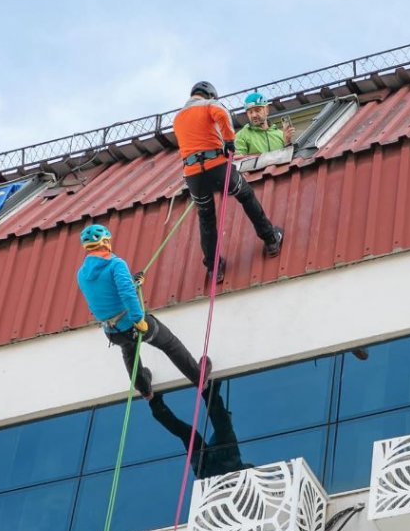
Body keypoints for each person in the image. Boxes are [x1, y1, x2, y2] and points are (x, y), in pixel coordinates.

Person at [76, 223, 211, 398]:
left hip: (112, 331)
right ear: (106, 242)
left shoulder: (81, 273)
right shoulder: (116, 264)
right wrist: (139, 319)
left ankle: (145, 389)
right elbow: (126, 294)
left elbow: (103, 294)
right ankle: (199, 377)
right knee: (169, 344)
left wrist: (132, 283)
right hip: (133, 324)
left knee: (129, 351)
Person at [173, 81, 283, 284]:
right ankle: (270, 239)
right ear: (210, 94)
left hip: (193, 174)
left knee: (206, 219)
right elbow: (222, 115)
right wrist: (229, 141)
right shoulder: (209, 105)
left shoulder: (178, 117)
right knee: (245, 195)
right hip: (217, 166)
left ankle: (214, 268)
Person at [148, 379, 250, 479]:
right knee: (188, 433)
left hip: (223, 463)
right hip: (208, 470)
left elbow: (250, 471)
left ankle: (209, 389)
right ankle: (156, 404)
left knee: (220, 425)